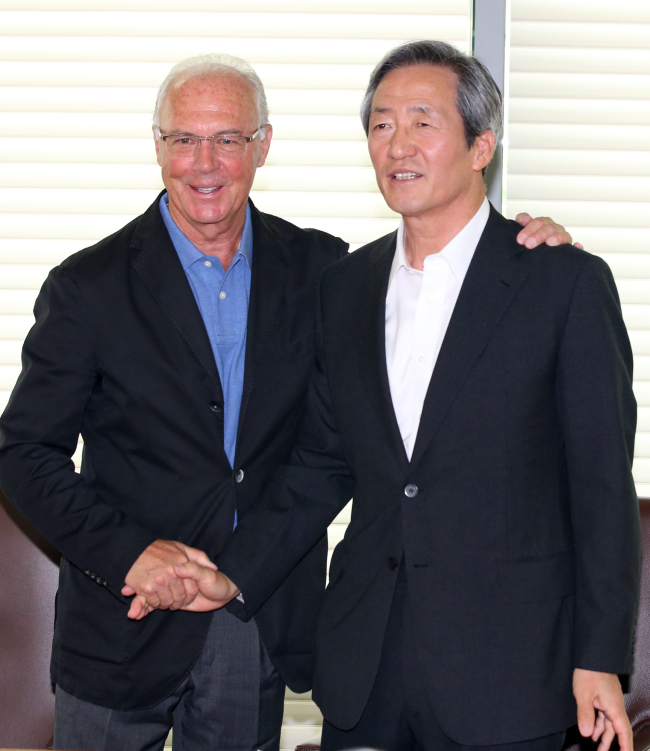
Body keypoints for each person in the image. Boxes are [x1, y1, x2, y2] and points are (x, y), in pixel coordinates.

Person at [0, 51, 575, 751]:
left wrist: (522, 246)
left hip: (255, 613)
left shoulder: (328, 274)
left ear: (263, 145)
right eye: (183, 140)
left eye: (227, 140)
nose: (204, 163)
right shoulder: (88, 285)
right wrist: (130, 554)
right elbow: (23, 453)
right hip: (122, 622)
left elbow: (427, 303)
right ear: (158, 148)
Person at [146, 42, 641, 751]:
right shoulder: (346, 286)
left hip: (507, 673)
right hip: (366, 665)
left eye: (422, 123)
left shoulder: (560, 283)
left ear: (481, 146)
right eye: (380, 125)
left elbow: (600, 489)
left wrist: (600, 658)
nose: (397, 145)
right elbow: (322, 465)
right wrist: (230, 574)